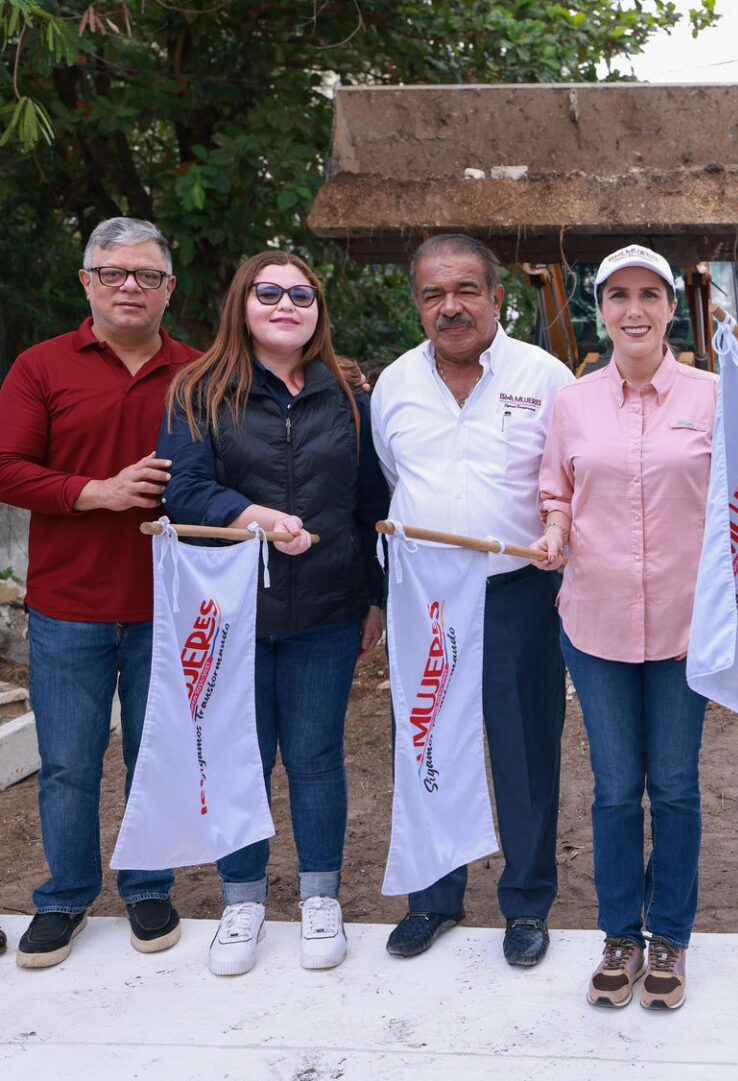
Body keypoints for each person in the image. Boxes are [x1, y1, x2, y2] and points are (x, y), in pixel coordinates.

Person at [158, 251, 386, 975]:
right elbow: (185, 492)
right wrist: (252, 514)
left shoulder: (350, 395)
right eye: (269, 291)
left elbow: (370, 502)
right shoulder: (198, 390)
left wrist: (375, 595)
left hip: (328, 605)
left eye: (301, 293)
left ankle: (321, 898)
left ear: (318, 308)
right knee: (241, 758)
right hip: (232, 611)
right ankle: (242, 901)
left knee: (316, 756)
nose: (286, 303)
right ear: (242, 304)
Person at [371, 234, 573, 967]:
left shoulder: (545, 378)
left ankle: (526, 904)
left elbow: (567, 480)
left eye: (465, 290)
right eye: (433, 294)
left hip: (516, 595)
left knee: (525, 753)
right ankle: (433, 896)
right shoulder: (393, 384)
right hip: (426, 600)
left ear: (497, 298)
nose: (450, 306)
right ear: (419, 302)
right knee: (428, 742)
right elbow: (392, 474)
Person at [0, 217, 197, 968]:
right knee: (69, 763)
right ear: (87, 281)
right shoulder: (42, 367)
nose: (129, 286)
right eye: (114, 272)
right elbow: (7, 465)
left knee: (155, 757)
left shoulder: (199, 370)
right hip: (68, 607)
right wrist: (96, 492)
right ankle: (66, 897)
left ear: (168, 290)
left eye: (147, 275)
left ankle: (148, 888)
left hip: (168, 608)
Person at [534, 243, 717, 1011]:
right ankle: (620, 934)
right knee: (614, 788)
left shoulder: (715, 395)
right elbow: (557, 490)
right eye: (619, 296)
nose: (635, 309)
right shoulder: (572, 402)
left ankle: (670, 933)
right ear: (599, 308)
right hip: (596, 620)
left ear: (672, 306)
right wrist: (552, 530)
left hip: (686, 621)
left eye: (650, 294)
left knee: (673, 785)